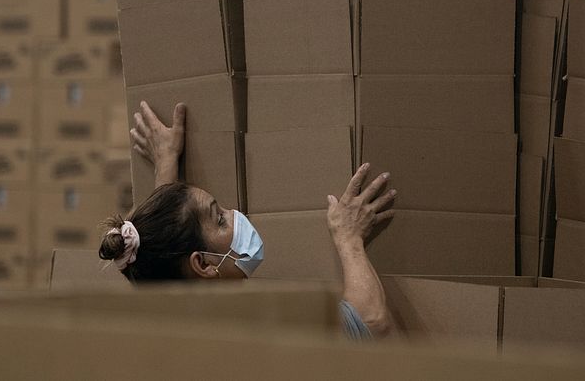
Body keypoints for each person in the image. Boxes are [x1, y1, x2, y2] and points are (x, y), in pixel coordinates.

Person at [99, 101, 398, 339]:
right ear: (202, 264)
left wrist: (166, 164)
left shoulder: (162, 317)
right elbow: (373, 322)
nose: (234, 215)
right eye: (219, 219)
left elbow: (159, 242)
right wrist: (349, 238)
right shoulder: (257, 329)